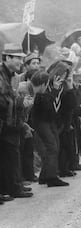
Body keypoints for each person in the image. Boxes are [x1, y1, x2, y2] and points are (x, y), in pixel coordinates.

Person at [0, 43, 33, 198]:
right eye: (18, 59)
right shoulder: (2, 75)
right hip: (4, 122)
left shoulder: (10, 76)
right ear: (7, 58)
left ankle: (14, 186)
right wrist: (20, 102)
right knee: (9, 156)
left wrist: (19, 100)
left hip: (10, 122)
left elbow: (10, 97)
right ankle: (11, 188)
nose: (21, 62)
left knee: (12, 155)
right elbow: (3, 100)